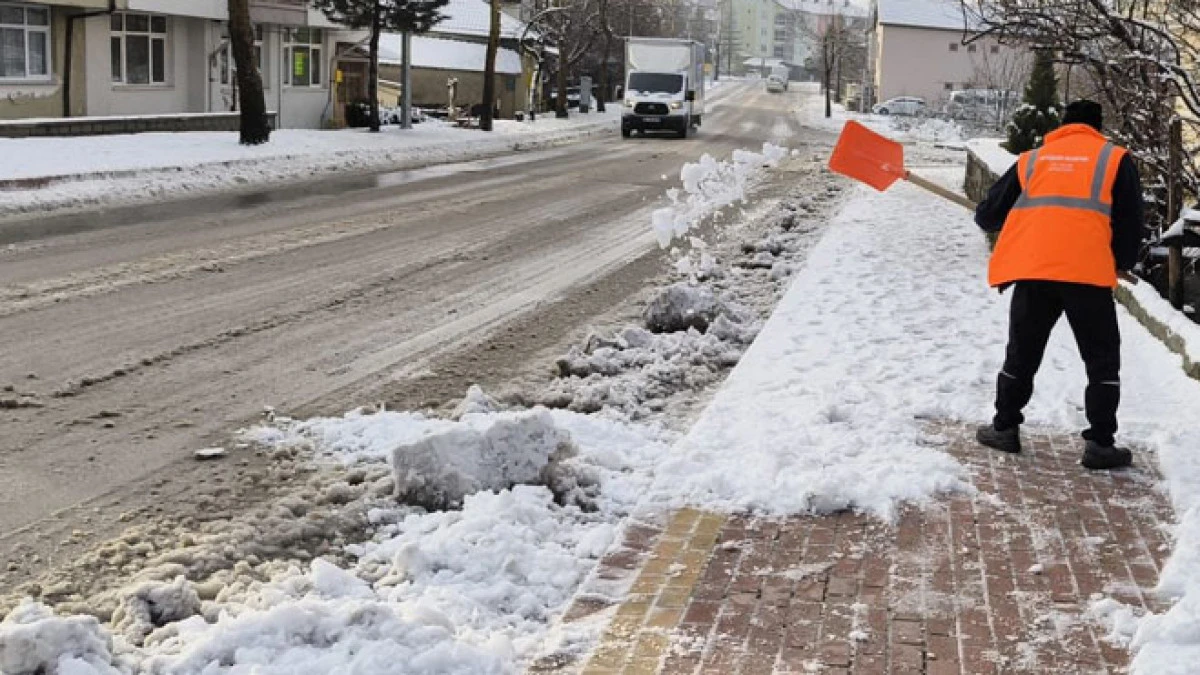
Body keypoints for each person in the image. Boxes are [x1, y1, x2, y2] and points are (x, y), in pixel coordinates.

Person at [974, 100, 1144, 470]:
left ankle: (1004, 427)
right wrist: (1121, 263)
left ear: (1062, 124)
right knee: (1101, 361)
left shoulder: (1033, 159)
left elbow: (988, 216)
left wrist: (1000, 217)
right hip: (1088, 275)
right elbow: (1131, 222)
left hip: (1035, 272)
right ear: (1098, 128)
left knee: (1022, 353)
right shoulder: (1115, 160)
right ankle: (1100, 443)